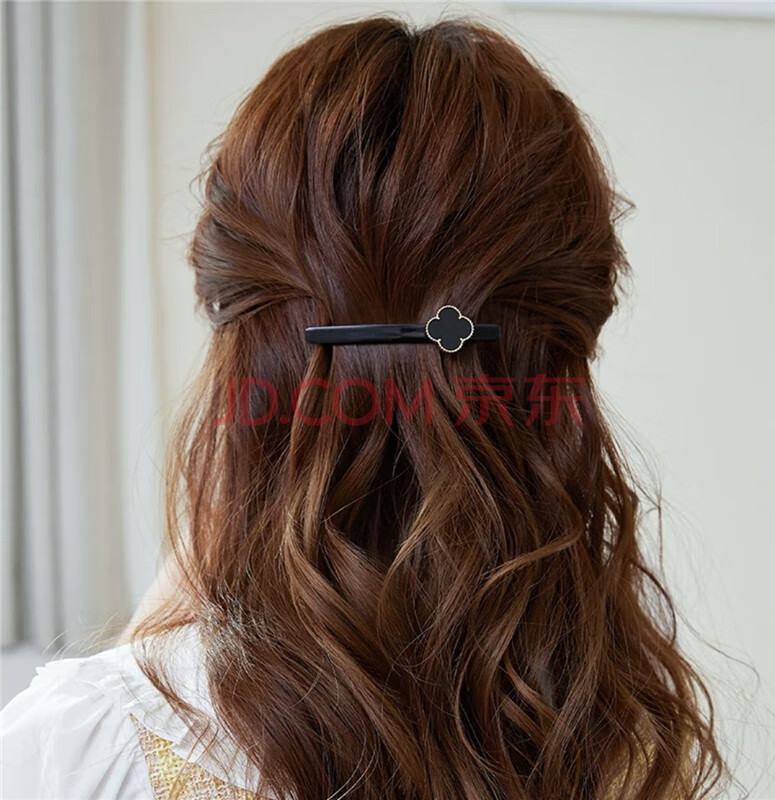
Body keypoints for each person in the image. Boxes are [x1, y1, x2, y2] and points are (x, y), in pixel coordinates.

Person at [0, 15, 730, 800]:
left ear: (240, 336)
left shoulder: (79, 751)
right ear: (565, 356)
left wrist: (163, 622)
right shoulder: (629, 747)